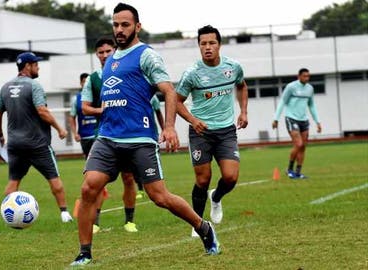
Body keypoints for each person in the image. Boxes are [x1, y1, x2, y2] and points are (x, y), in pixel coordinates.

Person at [70, 3, 220, 266]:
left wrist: (170, 127)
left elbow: (169, 91)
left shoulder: (146, 55)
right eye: (115, 24)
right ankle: (84, 253)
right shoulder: (111, 59)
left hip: (139, 139)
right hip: (107, 138)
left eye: (125, 24)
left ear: (137, 26)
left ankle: (203, 227)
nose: (119, 29)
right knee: (88, 188)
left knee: (159, 197)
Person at [176, 25, 248, 236]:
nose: (207, 47)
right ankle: (197, 223)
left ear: (219, 45)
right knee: (202, 179)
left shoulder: (233, 67)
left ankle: (215, 197)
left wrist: (243, 111)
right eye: (203, 44)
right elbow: (176, 101)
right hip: (201, 132)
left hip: (226, 130)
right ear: (199, 46)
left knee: (231, 177)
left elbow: (242, 86)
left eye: (212, 43)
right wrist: (192, 119)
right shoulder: (192, 73)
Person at [0, 52, 73, 223]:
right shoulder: (34, 86)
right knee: (54, 178)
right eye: (36, 64)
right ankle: (64, 213)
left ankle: (7, 217)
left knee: (13, 181)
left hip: (15, 144)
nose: (38, 67)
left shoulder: (5, 87)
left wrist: (0, 134)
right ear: (28, 66)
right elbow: (42, 111)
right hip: (37, 144)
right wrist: (59, 129)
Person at [81, 37, 139, 234]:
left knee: (129, 178)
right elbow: (85, 107)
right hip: (104, 136)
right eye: (100, 52)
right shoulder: (93, 79)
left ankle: (129, 221)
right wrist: (101, 110)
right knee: (97, 181)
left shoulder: (127, 71)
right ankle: (95, 222)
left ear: (114, 50)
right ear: (96, 55)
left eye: (108, 51)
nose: (104, 55)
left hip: (128, 135)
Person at [272, 68, 322, 179]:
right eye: (304, 76)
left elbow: (312, 105)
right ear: (298, 76)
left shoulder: (310, 89)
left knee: (303, 146)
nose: (306, 78)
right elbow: (282, 102)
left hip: (304, 120)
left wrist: (317, 121)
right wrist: (276, 119)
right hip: (291, 118)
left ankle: (298, 172)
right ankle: (289, 170)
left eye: (308, 76)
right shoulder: (291, 87)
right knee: (298, 144)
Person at [136, 94, 165, 199]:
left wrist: (164, 129)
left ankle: (159, 187)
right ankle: (140, 189)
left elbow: (158, 113)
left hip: (150, 136)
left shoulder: (152, 97)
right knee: (134, 167)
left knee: (152, 165)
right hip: (134, 136)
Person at [69, 73, 96, 159]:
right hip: (85, 137)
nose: (86, 84)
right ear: (80, 83)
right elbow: (72, 117)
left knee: (99, 161)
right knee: (88, 161)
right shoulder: (76, 99)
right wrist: (75, 133)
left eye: (87, 82)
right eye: (84, 82)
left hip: (97, 134)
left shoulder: (97, 96)